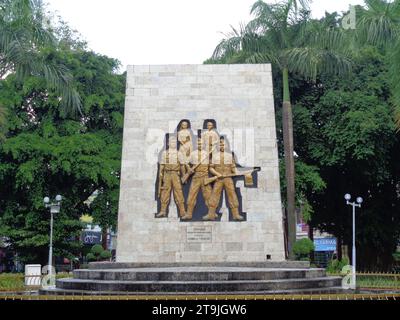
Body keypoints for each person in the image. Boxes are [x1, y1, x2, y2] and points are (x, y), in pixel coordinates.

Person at [203, 136, 244, 221]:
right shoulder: (214, 156)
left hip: (228, 178)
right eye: (220, 145)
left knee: (232, 195)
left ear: (226, 146)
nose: (221, 146)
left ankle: (236, 214)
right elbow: (211, 168)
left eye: (223, 145)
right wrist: (217, 174)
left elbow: (233, 167)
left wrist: (236, 171)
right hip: (218, 179)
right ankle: (211, 214)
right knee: (214, 195)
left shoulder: (230, 156)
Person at [181, 136, 212, 221]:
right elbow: (186, 162)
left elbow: (210, 166)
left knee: (208, 195)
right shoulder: (193, 153)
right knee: (191, 195)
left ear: (204, 144)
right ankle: (189, 214)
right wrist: (189, 169)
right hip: (196, 177)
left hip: (205, 176)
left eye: (201, 143)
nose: (200, 144)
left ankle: (211, 212)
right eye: (198, 143)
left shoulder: (206, 154)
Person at [156, 137, 187, 218]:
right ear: (168, 143)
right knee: (165, 193)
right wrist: (160, 174)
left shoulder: (179, 153)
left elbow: (182, 166)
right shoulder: (164, 153)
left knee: (178, 192)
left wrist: (184, 176)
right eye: (171, 141)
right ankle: (163, 211)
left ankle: (182, 212)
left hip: (175, 175)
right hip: (166, 175)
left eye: (174, 141)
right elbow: (162, 165)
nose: (173, 143)